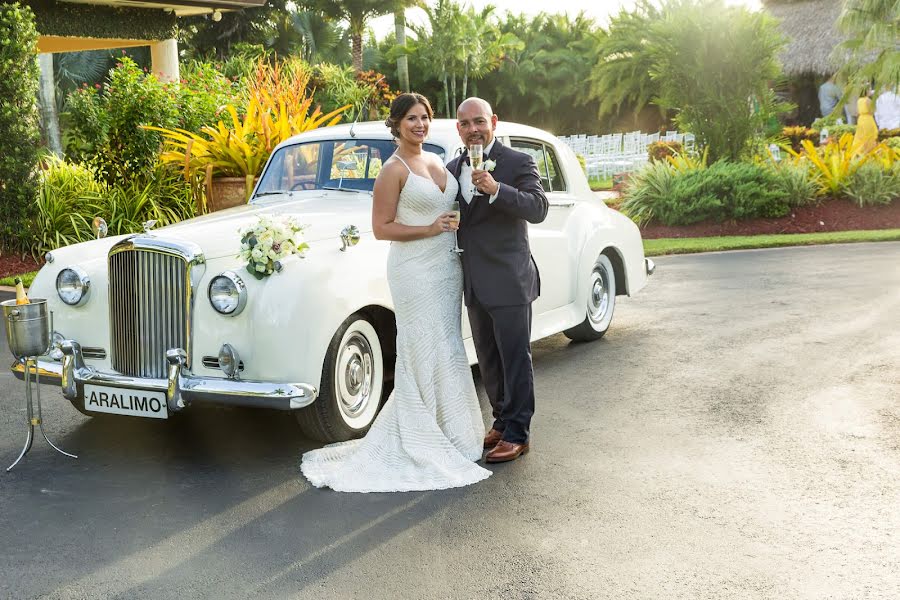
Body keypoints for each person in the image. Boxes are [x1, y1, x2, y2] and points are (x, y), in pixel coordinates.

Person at [300, 93, 491, 492]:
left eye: (424, 118)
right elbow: (381, 227)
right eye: (411, 119)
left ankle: (455, 435)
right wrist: (430, 228)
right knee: (420, 347)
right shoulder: (393, 169)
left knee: (448, 345)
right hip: (414, 270)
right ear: (396, 124)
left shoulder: (438, 161)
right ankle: (420, 438)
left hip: (445, 269)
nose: (419, 125)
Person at [446, 98, 549, 463]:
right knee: (488, 359)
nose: (473, 129)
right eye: (465, 123)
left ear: (494, 122)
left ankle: (519, 432)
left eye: (479, 121)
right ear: (458, 128)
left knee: (514, 358)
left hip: (509, 279)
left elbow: (538, 208)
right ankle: (502, 420)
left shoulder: (518, 161)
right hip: (474, 279)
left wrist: (496, 190)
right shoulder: (452, 166)